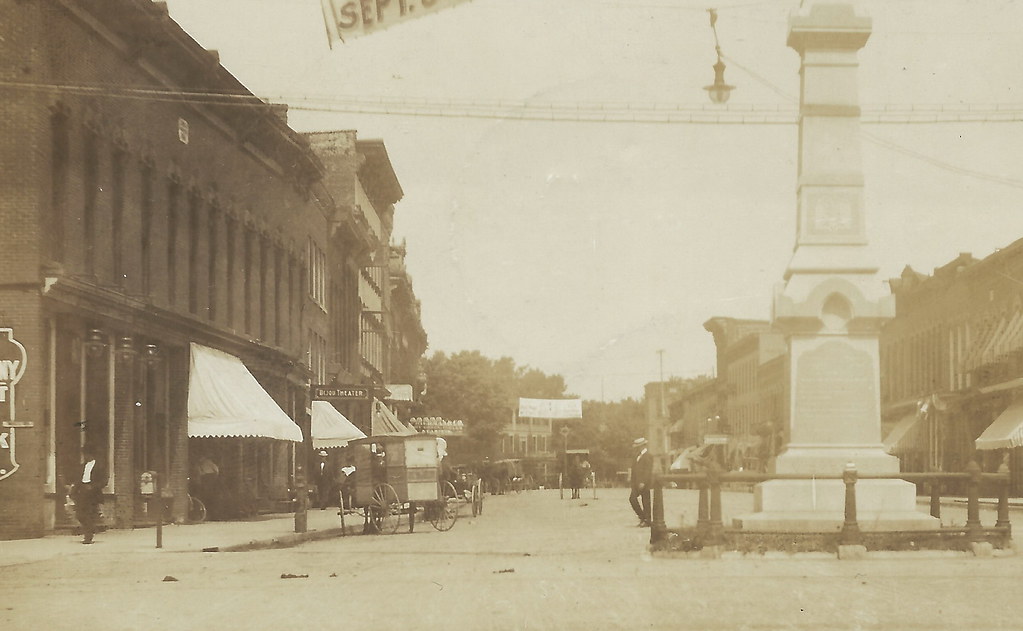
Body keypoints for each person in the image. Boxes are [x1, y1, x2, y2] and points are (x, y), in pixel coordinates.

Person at [71, 445, 107, 544]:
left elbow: (104, 481)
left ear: (91, 454)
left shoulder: (99, 466)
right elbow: (78, 480)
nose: (85, 456)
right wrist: (73, 491)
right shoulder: (83, 466)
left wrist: (93, 487)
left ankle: (88, 536)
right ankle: (90, 529)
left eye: (86, 454)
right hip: (82, 491)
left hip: (93, 493)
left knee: (89, 514)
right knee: (79, 514)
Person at [629, 437, 653, 527]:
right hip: (636, 482)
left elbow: (648, 470)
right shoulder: (637, 456)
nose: (637, 448)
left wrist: (643, 481)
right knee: (632, 499)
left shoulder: (648, 456)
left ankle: (647, 520)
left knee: (646, 501)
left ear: (643, 446)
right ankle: (643, 518)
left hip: (644, 482)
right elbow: (634, 469)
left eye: (638, 446)